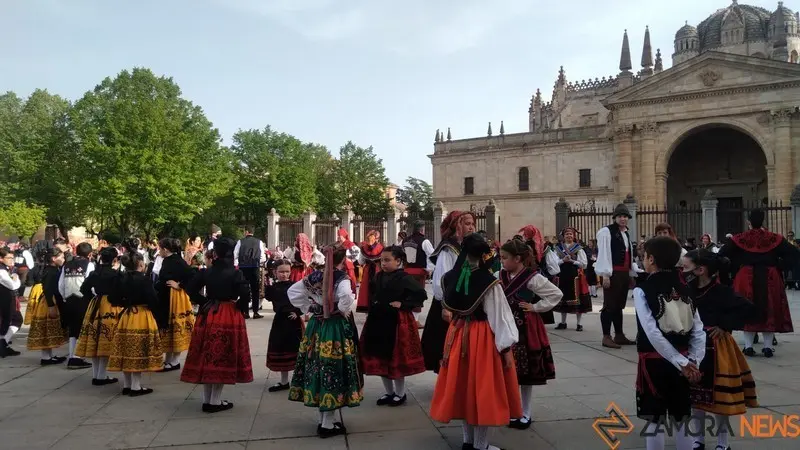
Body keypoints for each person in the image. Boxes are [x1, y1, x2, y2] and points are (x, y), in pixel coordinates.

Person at [429, 233, 522, 450]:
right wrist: (506, 347)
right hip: (481, 338)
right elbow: (499, 317)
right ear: (484, 255)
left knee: (463, 387)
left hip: (458, 333)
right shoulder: (489, 282)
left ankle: (468, 442)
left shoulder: (451, 277)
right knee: (481, 389)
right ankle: (481, 446)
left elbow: (443, 299)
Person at [634, 237, 706, 450]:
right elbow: (698, 328)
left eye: (645, 257)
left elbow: (652, 333)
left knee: (654, 419)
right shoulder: (686, 287)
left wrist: (681, 361)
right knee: (682, 415)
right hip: (684, 363)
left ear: (652, 259)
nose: (643, 260)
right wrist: (693, 360)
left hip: (655, 362)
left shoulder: (642, 290)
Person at [683, 249, 757, 450]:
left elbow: (748, 308)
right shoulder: (686, 288)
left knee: (721, 400)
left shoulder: (722, 291)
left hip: (718, 348)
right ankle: (698, 440)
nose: (683, 270)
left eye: (686, 266)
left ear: (701, 269)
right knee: (695, 397)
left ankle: (723, 444)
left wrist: (725, 325)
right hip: (693, 346)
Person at [288, 246, 363, 438]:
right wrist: (341, 309)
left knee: (317, 365)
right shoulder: (342, 278)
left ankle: (324, 419)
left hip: (316, 326)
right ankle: (328, 424)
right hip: (334, 326)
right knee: (332, 368)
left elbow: (293, 292)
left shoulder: (314, 276)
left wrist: (311, 307)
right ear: (341, 259)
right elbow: (346, 297)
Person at [181, 237, 254, 413]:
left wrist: (204, 301)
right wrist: (240, 307)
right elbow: (245, 293)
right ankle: (214, 401)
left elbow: (190, 289)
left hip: (208, 312)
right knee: (222, 356)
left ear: (216, 253)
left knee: (208, 354)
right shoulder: (236, 273)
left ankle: (208, 400)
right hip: (228, 314)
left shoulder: (207, 272)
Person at [497, 239, 562, 429]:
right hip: (505, 327)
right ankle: (510, 409)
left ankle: (525, 413)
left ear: (518, 259)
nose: (502, 261)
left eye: (505, 258)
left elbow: (555, 294)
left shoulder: (532, 277)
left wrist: (535, 307)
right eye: (501, 257)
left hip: (525, 328)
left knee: (525, 375)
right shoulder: (499, 275)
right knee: (507, 372)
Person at [718, 209, 799, 357]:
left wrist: (735, 268)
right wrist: (780, 266)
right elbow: (794, 254)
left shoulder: (739, 238)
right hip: (770, 277)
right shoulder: (775, 238)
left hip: (746, 277)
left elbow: (722, 256)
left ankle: (748, 347)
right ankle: (767, 347)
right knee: (769, 309)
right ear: (763, 221)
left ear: (749, 222)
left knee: (747, 308)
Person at [359, 245, 427, 406]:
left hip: (397, 322)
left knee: (395, 358)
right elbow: (373, 293)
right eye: (382, 260)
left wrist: (403, 304)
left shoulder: (404, 277)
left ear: (398, 261)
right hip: (378, 319)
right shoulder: (378, 276)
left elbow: (420, 294)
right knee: (380, 356)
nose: (383, 263)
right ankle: (389, 392)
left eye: (387, 260)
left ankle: (400, 393)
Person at [422, 211, 476, 373]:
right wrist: (445, 305)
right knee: (447, 343)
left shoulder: (468, 245)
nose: (471, 226)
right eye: (467, 223)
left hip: (467, 302)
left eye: (472, 223)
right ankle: (447, 383)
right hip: (450, 303)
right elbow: (441, 279)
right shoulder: (449, 248)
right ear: (457, 226)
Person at [108, 252, 162, 397]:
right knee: (138, 349)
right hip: (142, 315)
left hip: (126, 315)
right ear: (140, 264)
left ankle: (127, 384)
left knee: (126, 349)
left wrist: (126, 303)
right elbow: (153, 300)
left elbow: (113, 298)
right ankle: (136, 386)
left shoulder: (121, 278)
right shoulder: (144, 280)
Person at [75, 247, 123, 385]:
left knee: (95, 340)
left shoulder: (95, 273)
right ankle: (101, 375)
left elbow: (83, 289)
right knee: (105, 340)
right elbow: (121, 291)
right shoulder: (115, 274)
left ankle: (97, 375)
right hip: (110, 306)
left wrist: (94, 297)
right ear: (114, 260)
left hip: (95, 306)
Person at [595, 204, 638, 349]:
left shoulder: (626, 233)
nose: (623, 219)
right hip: (612, 273)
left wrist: (631, 273)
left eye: (625, 216)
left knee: (619, 306)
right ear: (615, 217)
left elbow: (628, 255)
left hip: (623, 274)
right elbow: (604, 254)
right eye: (620, 216)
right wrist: (605, 275)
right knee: (609, 306)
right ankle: (606, 336)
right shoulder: (606, 232)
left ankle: (619, 335)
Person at [155, 237, 196, 371]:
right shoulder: (168, 260)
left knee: (175, 326)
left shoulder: (177, 261)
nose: (158, 250)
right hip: (166, 297)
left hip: (175, 298)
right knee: (168, 327)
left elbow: (192, 274)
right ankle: (169, 359)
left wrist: (180, 285)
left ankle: (175, 360)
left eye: (160, 248)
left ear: (165, 249)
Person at [265, 259, 304, 393]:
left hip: (293, 323)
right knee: (281, 350)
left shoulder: (295, 285)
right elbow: (268, 297)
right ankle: (284, 381)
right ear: (275, 272)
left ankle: (300, 379)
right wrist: (266, 283)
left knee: (297, 350)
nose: (284, 274)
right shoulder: (274, 286)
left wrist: (298, 312)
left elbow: (305, 301)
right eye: (281, 272)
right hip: (280, 321)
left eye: (287, 271)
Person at [27, 247, 69, 364]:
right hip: (49, 302)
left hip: (50, 301)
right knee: (47, 329)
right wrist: (51, 306)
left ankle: (49, 355)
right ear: (54, 258)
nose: (63, 259)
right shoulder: (51, 271)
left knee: (49, 330)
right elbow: (48, 289)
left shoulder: (53, 269)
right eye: (61, 257)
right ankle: (46, 357)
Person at [58, 241, 95, 369]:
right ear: (90, 254)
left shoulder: (66, 265)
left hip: (69, 299)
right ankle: (77, 358)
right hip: (82, 299)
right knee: (81, 329)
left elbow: (61, 284)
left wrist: (64, 297)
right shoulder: (89, 265)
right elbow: (91, 284)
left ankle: (72, 357)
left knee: (73, 330)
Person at [547, 227, 592, 331]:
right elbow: (554, 263)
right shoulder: (558, 248)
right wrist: (563, 260)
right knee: (563, 298)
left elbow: (584, 264)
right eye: (567, 234)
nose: (569, 236)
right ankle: (563, 322)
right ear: (563, 236)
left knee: (578, 299)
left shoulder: (579, 248)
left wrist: (572, 261)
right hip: (563, 275)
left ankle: (579, 324)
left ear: (574, 236)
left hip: (575, 276)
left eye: (571, 234)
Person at [401, 221, 435, 327]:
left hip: (406, 271)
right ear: (422, 229)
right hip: (418, 272)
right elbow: (432, 255)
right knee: (417, 295)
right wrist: (430, 269)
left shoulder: (405, 240)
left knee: (407, 295)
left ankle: (406, 318)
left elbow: (402, 255)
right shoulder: (424, 241)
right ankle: (414, 320)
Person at [234, 225, 268, 319]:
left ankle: (245, 312)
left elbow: (235, 254)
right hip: (254, 267)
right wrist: (257, 262)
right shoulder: (259, 242)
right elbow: (262, 256)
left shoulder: (240, 242)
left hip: (243, 268)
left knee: (244, 290)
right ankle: (256, 312)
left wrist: (238, 263)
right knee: (255, 290)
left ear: (246, 232)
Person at [0, 248, 22, 357]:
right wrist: (16, 278)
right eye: (8, 258)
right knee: (14, 320)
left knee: (11, 321)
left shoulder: (6, 268)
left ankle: (4, 344)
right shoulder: (2, 271)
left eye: (12, 258)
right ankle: (3, 344)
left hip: (7, 298)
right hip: (5, 299)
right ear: (1, 258)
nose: (11, 260)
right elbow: (13, 286)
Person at [356, 229, 384, 313]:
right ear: (377, 238)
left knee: (366, 288)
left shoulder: (363, 248)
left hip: (368, 270)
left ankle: (367, 309)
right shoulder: (381, 248)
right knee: (379, 287)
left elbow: (360, 262)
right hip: (378, 269)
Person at [336, 228, 359, 296]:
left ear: (343, 236)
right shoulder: (338, 244)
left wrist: (350, 260)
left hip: (348, 266)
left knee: (351, 279)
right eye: (338, 236)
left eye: (340, 236)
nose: (338, 238)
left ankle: (352, 293)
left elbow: (357, 252)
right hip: (339, 265)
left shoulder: (349, 243)